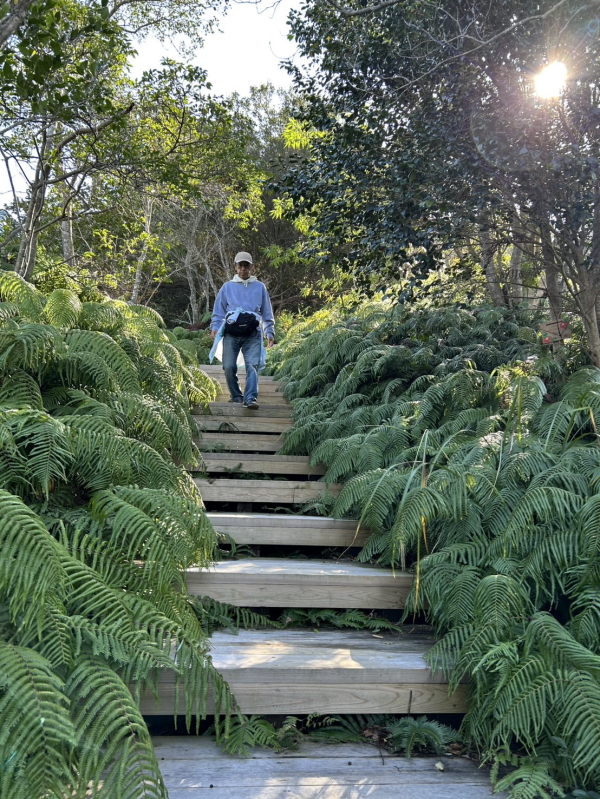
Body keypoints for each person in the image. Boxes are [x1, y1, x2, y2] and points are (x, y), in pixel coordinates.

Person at [209, 251, 275, 409]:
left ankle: (250, 398)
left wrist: (269, 331)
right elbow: (218, 310)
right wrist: (215, 327)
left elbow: (266, 312)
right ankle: (236, 396)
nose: (243, 269)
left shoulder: (259, 287)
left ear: (252, 267)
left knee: (252, 365)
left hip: (253, 332)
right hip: (231, 332)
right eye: (240, 265)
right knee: (228, 366)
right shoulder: (227, 287)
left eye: (246, 265)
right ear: (235, 267)